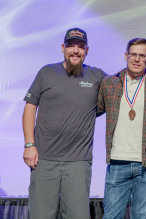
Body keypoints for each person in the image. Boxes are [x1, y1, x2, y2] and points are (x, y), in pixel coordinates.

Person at [22, 28, 108, 219]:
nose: (76, 51)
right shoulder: (47, 72)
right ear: (63, 48)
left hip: (78, 162)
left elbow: (124, 83)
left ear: (87, 50)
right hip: (43, 160)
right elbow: (30, 106)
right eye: (71, 46)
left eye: (81, 47)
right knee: (41, 215)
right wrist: (29, 145)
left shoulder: (97, 76)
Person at [97, 38, 146, 219]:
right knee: (111, 217)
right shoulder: (109, 83)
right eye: (133, 54)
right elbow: (94, 110)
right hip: (118, 162)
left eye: (142, 56)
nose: (137, 59)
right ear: (126, 56)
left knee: (142, 216)